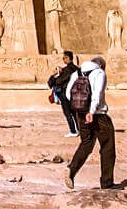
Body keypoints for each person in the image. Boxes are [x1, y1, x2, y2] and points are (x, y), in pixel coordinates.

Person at [65, 55, 116, 190]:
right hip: (98, 115)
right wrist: (91, 111)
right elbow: (97, 95)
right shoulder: (99, 73)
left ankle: (71, 169)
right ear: (101, 66)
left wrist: (80, 108)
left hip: (81, 114)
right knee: (107, 146)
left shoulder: (76, 73)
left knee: (86, 143)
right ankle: (107, 183)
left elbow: (68, 94)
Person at [49, 50, 80, 137]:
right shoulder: (77, 69)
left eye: (64, 58)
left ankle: (73, 131)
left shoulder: (66, 70)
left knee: (68, 113)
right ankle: (79, 129)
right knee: (74, 113)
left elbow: (58, 82)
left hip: (65, 94)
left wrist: (56, 75)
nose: (63, 60)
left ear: (68, 58)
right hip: (75, 93)